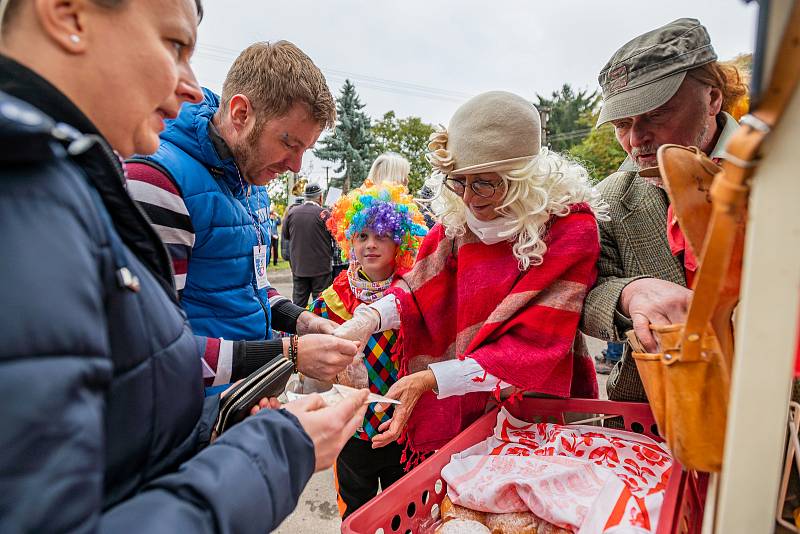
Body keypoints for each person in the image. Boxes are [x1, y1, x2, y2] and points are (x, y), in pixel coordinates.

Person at [0, 1, 368, 531]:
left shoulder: (237, 182)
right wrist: (285, 375)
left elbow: (238, 293)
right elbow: (157, 351)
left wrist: (296, 322)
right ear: (67, 14)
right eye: (175, 46)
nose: (193, 86)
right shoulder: (148, 182)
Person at [337, 91, 606, 460]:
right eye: (459, 181)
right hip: (463, 409)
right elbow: (417, 290)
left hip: (536, 409)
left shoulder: (570, 229)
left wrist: (434, 379)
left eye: (484, 182)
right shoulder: (455, 226)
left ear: (522, 177)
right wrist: (365, 320)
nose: (468, 197)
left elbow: (535, 347)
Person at [125, 40, 356, 387]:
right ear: (240, 114)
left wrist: (300, 321)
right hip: (188, 418)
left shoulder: (252, 175)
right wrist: (289, 354)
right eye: (289, 143)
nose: (295, 165)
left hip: (240, 404)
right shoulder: (158, 181)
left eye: (305, 150)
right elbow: (148, 350)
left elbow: (253, 287)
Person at [580, 18, 749, 403]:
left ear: (712, 98)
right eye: (622, 124)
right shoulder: (609, 198)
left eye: (655, 114)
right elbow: (583, 289)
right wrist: (630, 293)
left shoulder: (782, 172)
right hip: (655, 411)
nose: (636, 140)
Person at [309, 181, 427, 518]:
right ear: (349, 240)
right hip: (353, 433)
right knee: (355, 513)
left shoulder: (416, 294)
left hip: (405, 430)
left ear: (400, 241)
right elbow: (314, 362)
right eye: (361, 236)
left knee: (404, 514)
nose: (370, 245)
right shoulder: (331, 300)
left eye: (381, 235)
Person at [283, 182, 334, 306]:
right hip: (321, 268)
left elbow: (285, 236)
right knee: (321, 305)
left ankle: (297, 325)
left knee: (298, 305)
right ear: (320, 197)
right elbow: (335, 237)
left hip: (299, 267)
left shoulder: (291, 213)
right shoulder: (324, 214)